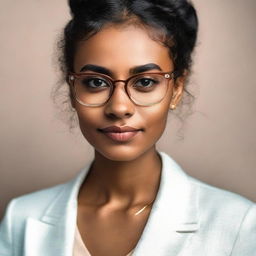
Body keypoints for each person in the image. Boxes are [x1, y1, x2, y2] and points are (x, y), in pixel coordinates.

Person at [0, 0, 255, 255]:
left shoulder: (237, 224)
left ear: (176, 89)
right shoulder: (21, 219)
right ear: (72, 89)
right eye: (96, 82)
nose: (119, 107)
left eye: (144, 82)